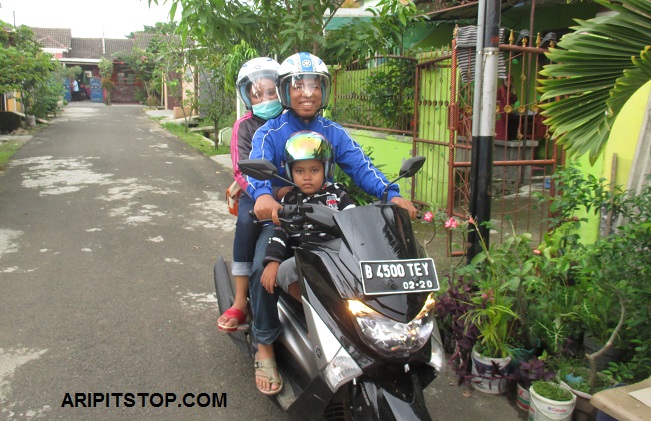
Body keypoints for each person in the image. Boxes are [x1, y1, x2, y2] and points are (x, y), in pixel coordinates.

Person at [245, 52, 418, 395]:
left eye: (314, 85)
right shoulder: (271, 131)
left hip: (328, 217)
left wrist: (390, 193)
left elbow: (360, 166)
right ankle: (264, 345)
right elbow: (257, 163)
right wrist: (264, 196)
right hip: (283, 217)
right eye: (298, 85)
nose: (307, 92)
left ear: (324, 90)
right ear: (284, 90)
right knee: (258, 270)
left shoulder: (333, 132)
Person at [216, 57, 283, 333]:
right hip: (254, 191)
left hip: (290, 191)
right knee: (247, 222)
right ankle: (242, 299)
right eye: (257, 94)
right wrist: (262, 194)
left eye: (271, 92)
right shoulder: (243, 126)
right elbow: (241, 170)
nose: (265, 98)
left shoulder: (290, 120)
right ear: (247, 97)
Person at [260, 131, 355, 302]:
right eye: (299, 171)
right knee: (285, 271)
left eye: (314, 170)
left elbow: (355, 222)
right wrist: (273, 261)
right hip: (307, 258)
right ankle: (312, 313)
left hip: (338, 255)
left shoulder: (338, 195)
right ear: (290, 172)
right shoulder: (289, 199)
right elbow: (280, 233)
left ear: (326, 169)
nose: (307, 177)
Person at [495, 74, 517, 140]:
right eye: (507, 80)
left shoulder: (509, 90)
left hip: (507, 112)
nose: (508, 82)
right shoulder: (500, 89)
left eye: (510, 81)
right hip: (501, 113)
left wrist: (514, 91)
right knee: (501, 128)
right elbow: (495, 100)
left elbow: (514, 101)